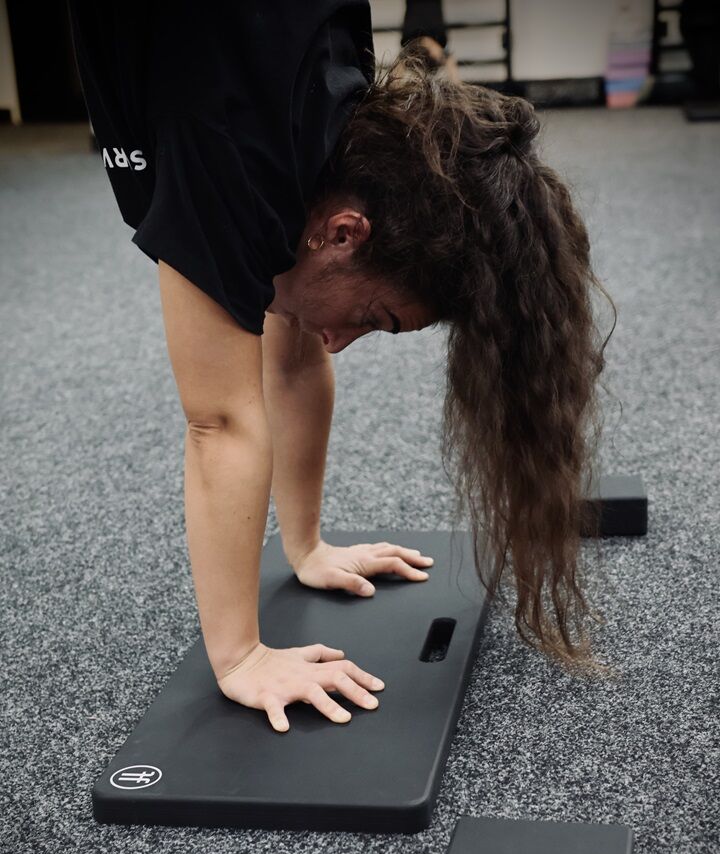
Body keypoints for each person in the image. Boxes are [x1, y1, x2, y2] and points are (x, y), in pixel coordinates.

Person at [68, 1, 616, 734]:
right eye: (374, 317)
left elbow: (294, 360)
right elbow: (220, 421)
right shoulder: (232, 163)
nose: (338, 342)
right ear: (344, 233)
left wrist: (306, 546)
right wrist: (240, 657)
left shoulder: (343, 130)